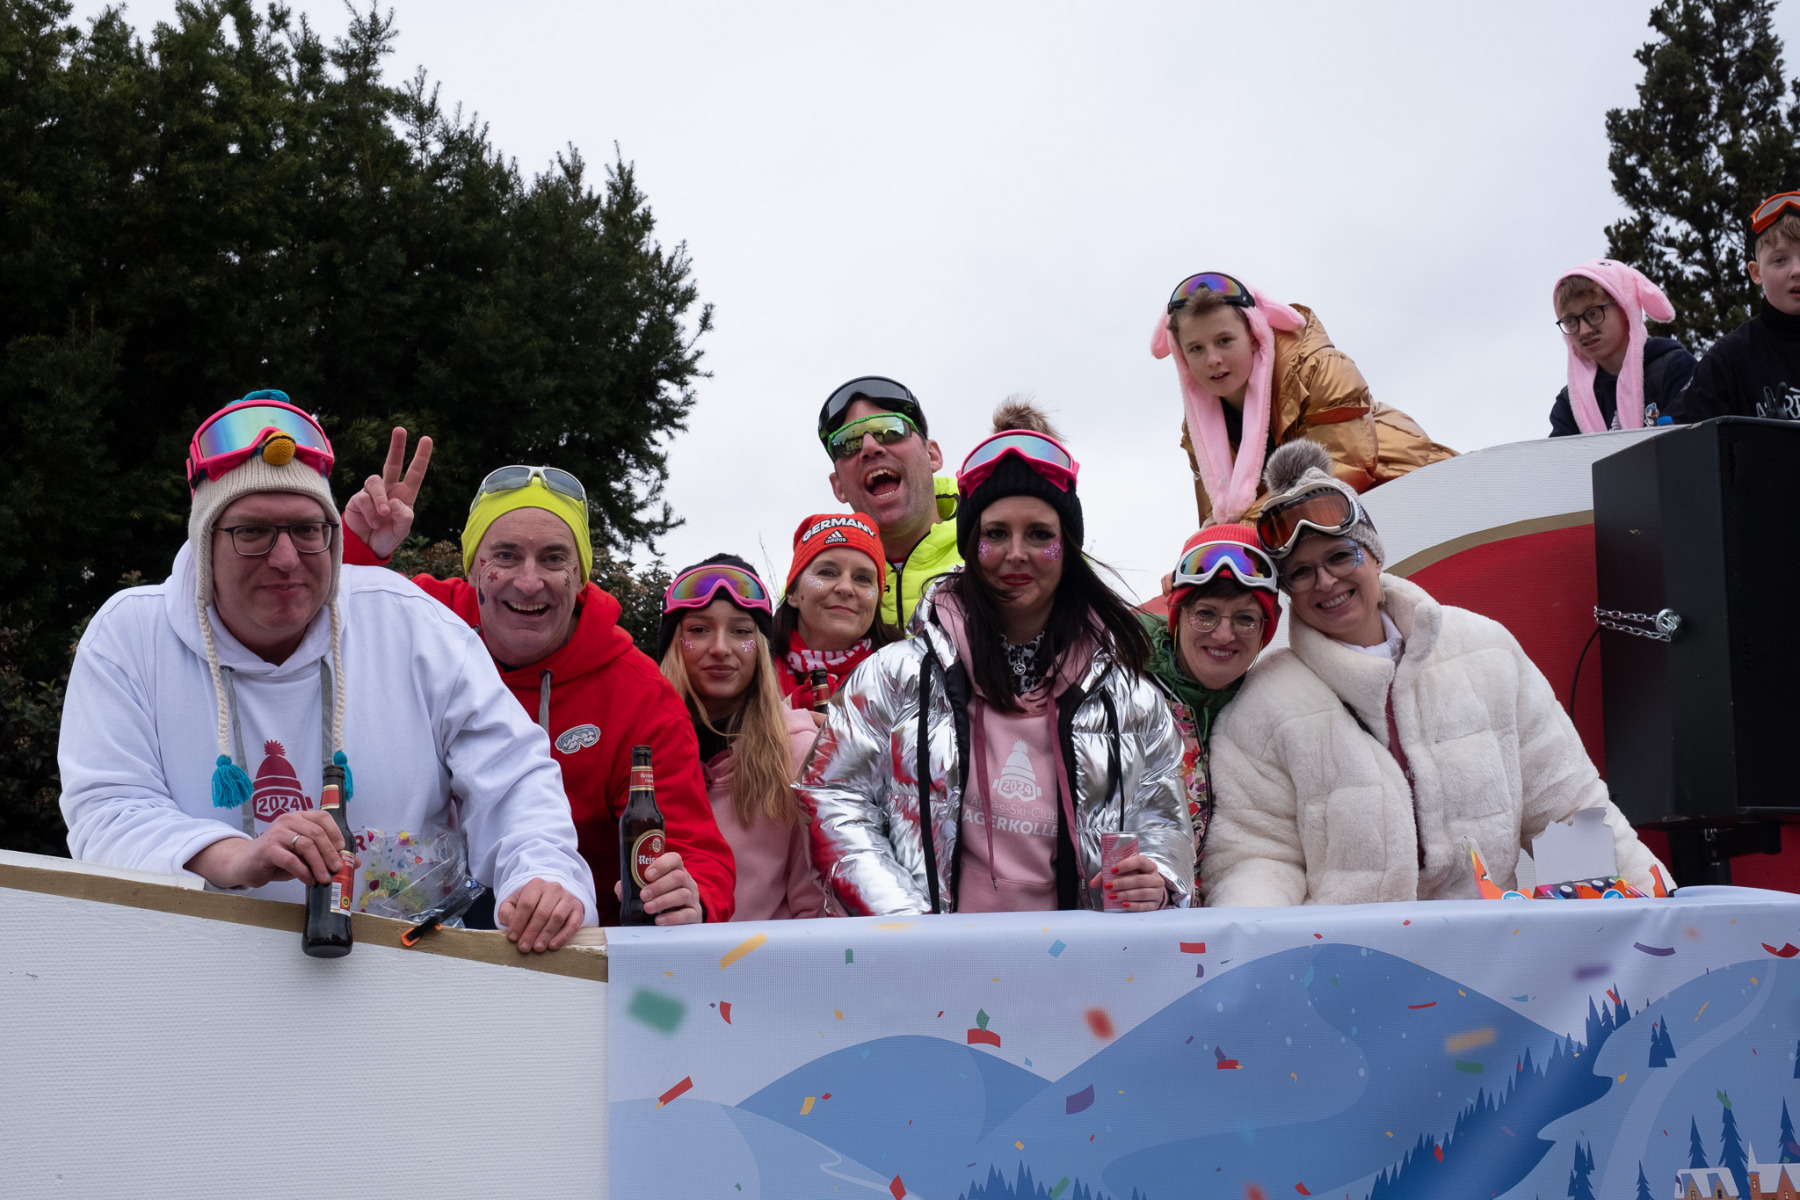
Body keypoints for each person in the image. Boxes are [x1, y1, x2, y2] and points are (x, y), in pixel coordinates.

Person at [58, 391, 597, 952]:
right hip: (192, 970)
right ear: (204, 538)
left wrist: (542, 875)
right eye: (251, 532)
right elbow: (106, 811)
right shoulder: (130, 636)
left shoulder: (413, 625)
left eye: (307, 529)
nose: (285, 558)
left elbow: (515, 780)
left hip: (404, 972)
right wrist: (233, 855)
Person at [1201, 440, 1669, 906]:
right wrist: (1259, 938)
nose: (1325, 581)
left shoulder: (1484, 651)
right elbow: (1257, 858)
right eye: (1301, 572)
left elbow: (1566, 809)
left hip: (1489, 944)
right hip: (1346, 951)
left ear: (1374, 556)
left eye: (1341, 556)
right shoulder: (1265, 702)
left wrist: (1653, 908)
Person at [797, 403, 1192, 915]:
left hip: (1082, 958)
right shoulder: (891, 676)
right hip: (934, 957)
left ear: (1069, 546)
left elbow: (1164, 820)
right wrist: (904, 923)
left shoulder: (1132, 698)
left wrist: (1158, 879)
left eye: (1040, 534)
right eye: (996, 533)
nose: (1016, 553)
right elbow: (833, 800)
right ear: (970, 543)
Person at [341, 430, 734, 925]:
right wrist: (358, 551)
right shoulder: (421, 623)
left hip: (560, 937)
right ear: (473, 567)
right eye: (505, 556)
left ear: (581, 574)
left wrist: (692, 896)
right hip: (400, 928)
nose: (529, 583)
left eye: (553, 559)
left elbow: (695, 852)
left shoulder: (638, 694)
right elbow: (321, 624)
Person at [1150, 271, 1454, 527]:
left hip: (1423, 498)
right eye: (1196, 349)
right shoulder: (1197, 428)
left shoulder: (1317, 368)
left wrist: (1238, 535)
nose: (1213, 359)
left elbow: (1339, 472)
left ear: (1254, 335)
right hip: (1315, 531)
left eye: (1224, 340)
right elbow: (1217, 518)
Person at [655, 556, 828, 920]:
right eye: (699, 629)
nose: (721, 647)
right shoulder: (638, 749)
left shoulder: (799, 751)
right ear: (674, 643)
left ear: (761, 648)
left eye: (741, 631)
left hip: (767, 955)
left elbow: (815, 906)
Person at [1136, 525, 1280, 888]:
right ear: (1178, 615)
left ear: (1265, 630)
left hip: (1239, 912)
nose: (1223, 635)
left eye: (1245, 618)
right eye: (1205, 613)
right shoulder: (1119, 688)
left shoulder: (1275, 707)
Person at [818, 375, 961, 628]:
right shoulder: (814, 580)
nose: (869, 447)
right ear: (838, 487)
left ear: (932, 456)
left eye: (890, 430)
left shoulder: (992, 544)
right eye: (847, 442)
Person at [1669, 190, 1800, 423]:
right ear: (1756, 273)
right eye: (1779, 260)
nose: (1796, 271)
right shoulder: (1728, 359)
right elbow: (1675, 434)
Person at [1547, 259, 1696, 435]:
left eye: (1593, 313)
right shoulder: (1569, 404)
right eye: (1571, 321)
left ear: (1625, 307)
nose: (1584, 330)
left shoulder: (1674, 368)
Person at [771, 512, 901, 704]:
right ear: (792, 593)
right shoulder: (749, 671)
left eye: (862, 578)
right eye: (827, 573)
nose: (846, 588)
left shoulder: (905, 674)